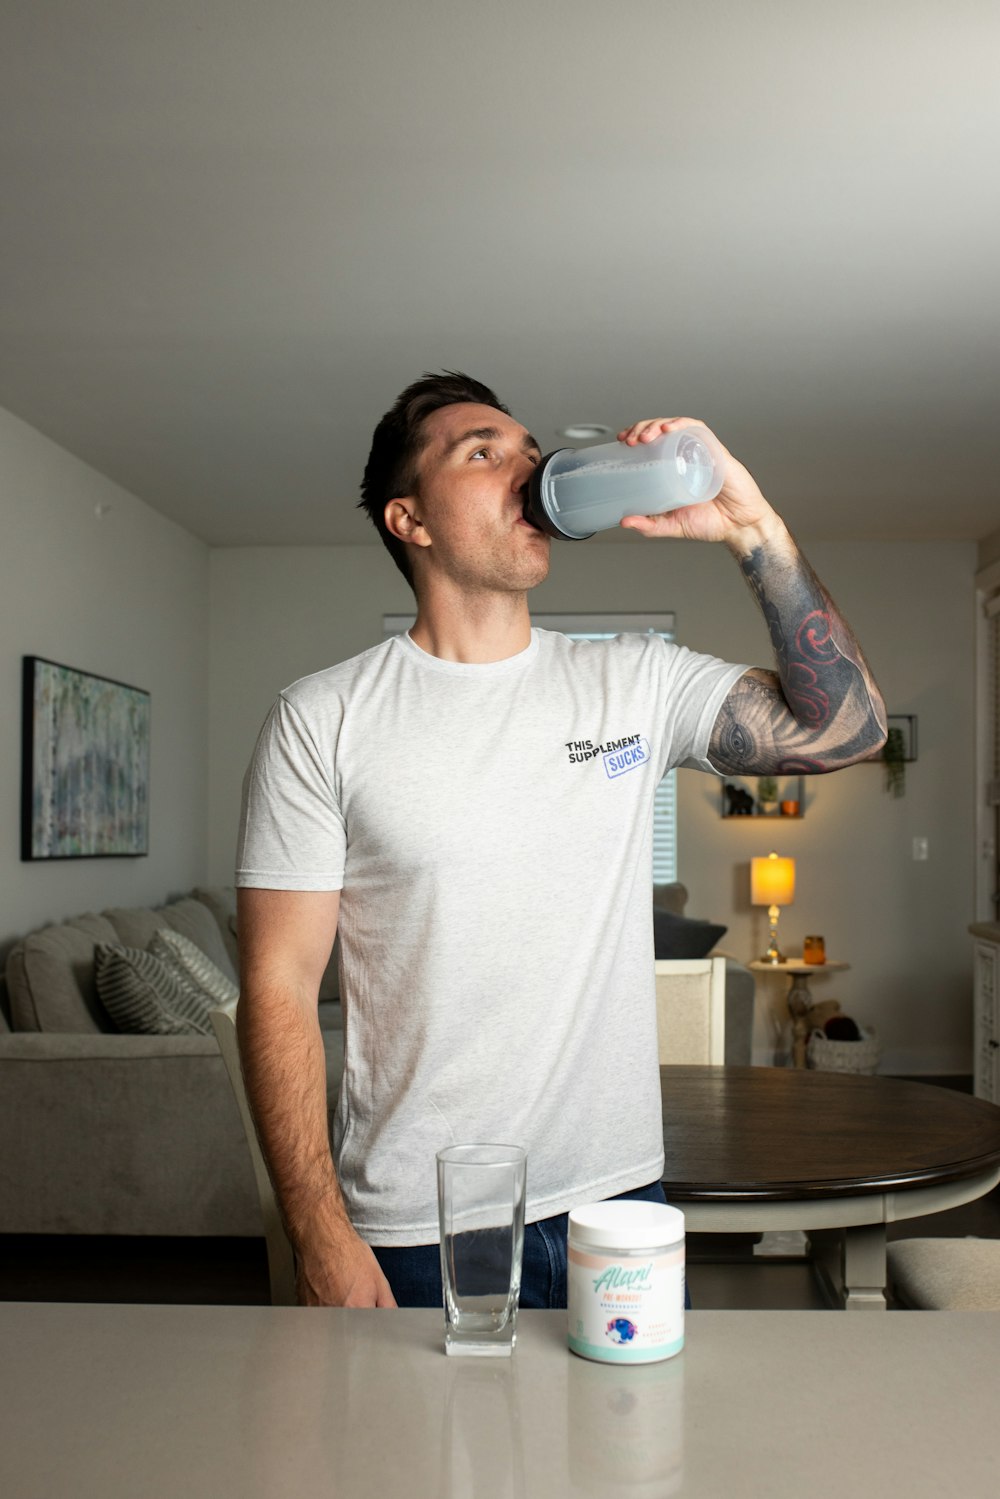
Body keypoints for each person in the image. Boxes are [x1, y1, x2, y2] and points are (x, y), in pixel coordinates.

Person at [235, 371, 886, 1308]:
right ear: (408, 520)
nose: (528, 469)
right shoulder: (323, 719)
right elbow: (279, 987)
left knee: (628, 1457)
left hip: (617, 1205)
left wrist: (751, 528)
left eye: (530, 452)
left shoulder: (634, 682)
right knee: (413, 1462)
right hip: (426, 1225)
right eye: (483, 452)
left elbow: (847, 730)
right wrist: (319, 1231)